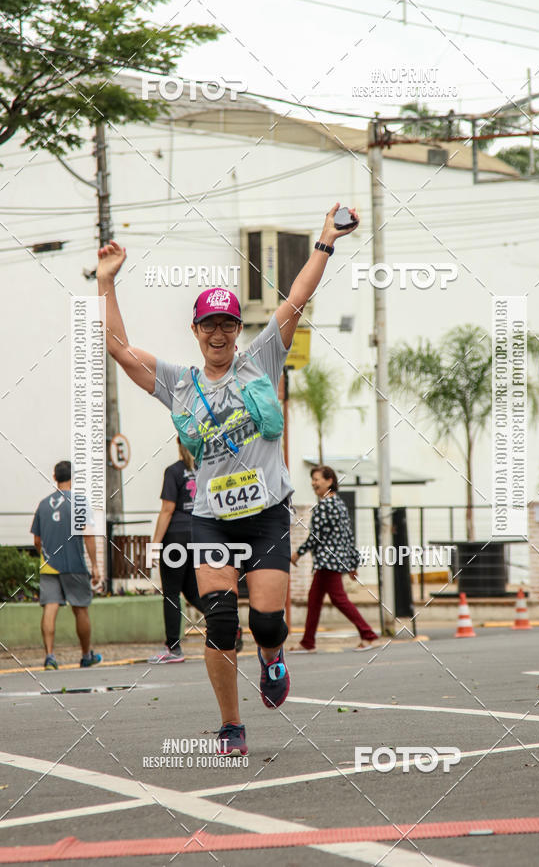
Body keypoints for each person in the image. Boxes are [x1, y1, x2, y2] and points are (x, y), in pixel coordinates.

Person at [95, 203, 359, 756]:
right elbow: (117, 348)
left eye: (228, 324)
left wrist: (325, 241)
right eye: (209, 324)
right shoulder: (179, 382)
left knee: (265, 623)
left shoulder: (261, 360)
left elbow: (296, 298)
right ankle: (231, 725)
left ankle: (272, 658)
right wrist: (106, 282)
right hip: (212, 521)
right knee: (219, 621)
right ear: (196, 330)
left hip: (266, 516)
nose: (219, 332)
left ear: (239, 331)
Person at [147, 439, 243, 663]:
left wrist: (154, 545)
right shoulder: (208, 470)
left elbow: (167, 509)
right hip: (200, 534)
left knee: (171, 593)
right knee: (191, 591)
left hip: (176, 537)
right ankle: (231, 623)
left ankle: (174, 649)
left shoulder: (174, 471)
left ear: (180, 445)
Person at [290, 466, 380, 652]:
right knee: (314, 599)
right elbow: (348, 536)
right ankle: (308, 642)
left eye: (317, 479)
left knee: (339, 600)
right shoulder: (339, 504)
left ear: (329, 481)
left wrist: (297, 553)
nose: (314, 483)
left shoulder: (324, 506)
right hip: (335, 561)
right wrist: (352, 563)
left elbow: (316, 538)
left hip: (326, 562)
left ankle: (368, 634)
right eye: (313, 479)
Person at [31, 461, 102, 669]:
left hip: (48, 565)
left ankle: (50, 656)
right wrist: (96, 566)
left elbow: (37, 540)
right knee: (80, 609)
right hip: (74, 563)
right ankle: (86, 654)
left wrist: (44, 555)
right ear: (73, 478)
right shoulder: (79, 502)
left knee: (50, 607)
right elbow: (88, 534)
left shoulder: (43, 504)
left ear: (55, 478)